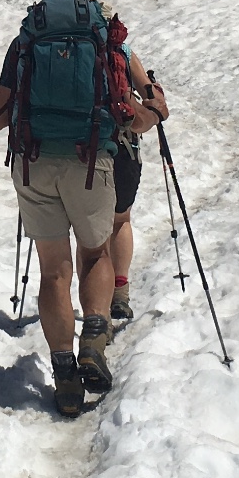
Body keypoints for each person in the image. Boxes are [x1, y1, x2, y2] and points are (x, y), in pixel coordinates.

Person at [0, 0, 165, 416]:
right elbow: (132, 112)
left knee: (54, 272)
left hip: (34, 162)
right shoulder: (106, 36)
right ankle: (94, 341)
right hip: (91, 162)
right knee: (94, 255)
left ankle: (64, 373)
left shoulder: (28, 37)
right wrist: (154, 112)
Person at [104, 42, 164, 321]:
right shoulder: (120, 50)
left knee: (87, 231)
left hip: (70, 151)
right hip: (121, 150)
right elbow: (153, 98)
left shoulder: (45, 40)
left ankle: (96, 305)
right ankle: (119, 291)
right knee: (119, 220)